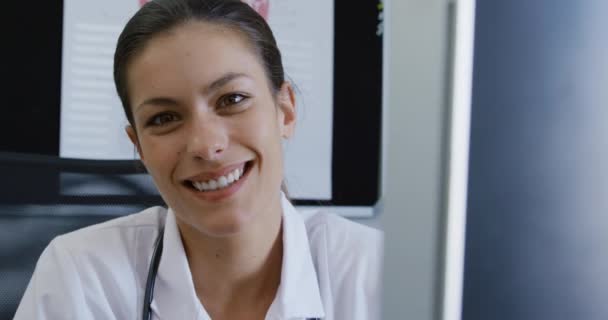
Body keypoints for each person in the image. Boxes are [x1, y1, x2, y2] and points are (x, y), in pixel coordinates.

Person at [14, 0, 383, 319]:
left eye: (232, 99)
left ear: (285, 110)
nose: (206, 145)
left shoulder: (379, 275)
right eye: (164, 118)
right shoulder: (82, 277)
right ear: (139, 147)